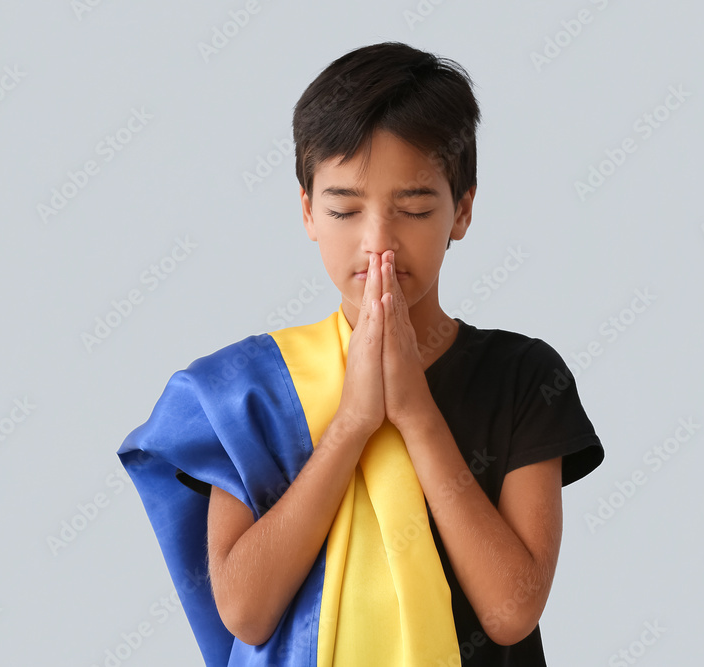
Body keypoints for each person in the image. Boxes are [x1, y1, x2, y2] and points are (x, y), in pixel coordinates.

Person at [117, 41, 605, 666]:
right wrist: (350, 424)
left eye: (415, 208)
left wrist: (417, 415)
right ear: (307, 212)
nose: (379, 243)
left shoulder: (522, 377)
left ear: (461, 211)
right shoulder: (251, 391)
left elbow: (510, 613)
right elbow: (245, 611)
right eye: (344, 209)